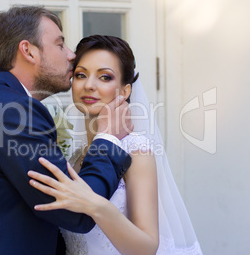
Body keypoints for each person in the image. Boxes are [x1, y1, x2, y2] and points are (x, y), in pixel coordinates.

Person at [0, 7, 133, 255]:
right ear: (28, 51)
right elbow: (77, 212)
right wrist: (108, 139)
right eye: (60, 44)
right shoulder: (14, 112)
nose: (72, 55)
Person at [28, 35, 203, 254]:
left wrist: (94, 204)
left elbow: (147, 248)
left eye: (105, 77)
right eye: (81, 75)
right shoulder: (75, 157)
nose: (89, 85)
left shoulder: (136, 151)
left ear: (125, 91)